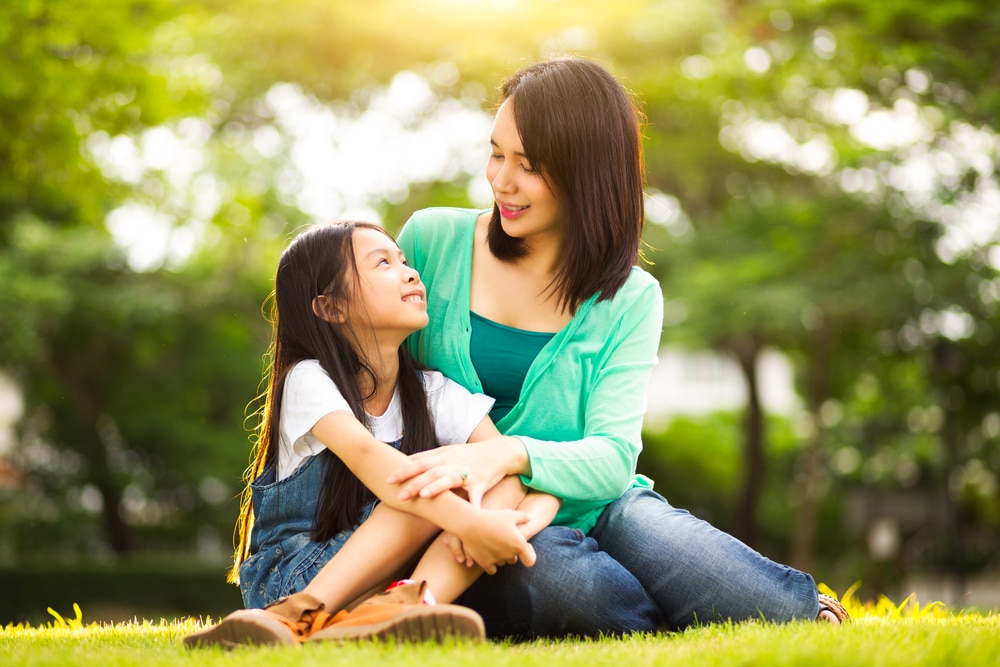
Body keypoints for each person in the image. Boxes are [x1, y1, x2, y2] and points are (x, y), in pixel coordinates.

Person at [387, 56, 849, 638]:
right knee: (584, 596)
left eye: (527, 166)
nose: (500, 179)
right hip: (474, 516)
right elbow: (376, 379)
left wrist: (507, 454)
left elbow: (611, 457)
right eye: (497, 153)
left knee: (769, 607)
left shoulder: (631, 297)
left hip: (602, 505)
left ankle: (799, 605)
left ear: (586, 174)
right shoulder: (432, 241)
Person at [184, 221, 560, 649]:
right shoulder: (309, 380)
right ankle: (296, 616)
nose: (410, 272)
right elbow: (374, 462)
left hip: (389, 579)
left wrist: (507, 527)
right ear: (331, 308)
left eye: (403, 260)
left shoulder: (433, 392)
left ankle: (408, 607)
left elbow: (514, 470)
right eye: (383, 263)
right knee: (432, 483)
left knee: (495, 474)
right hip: (300, 577)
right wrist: (473, 523)